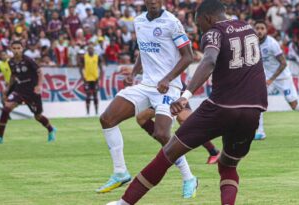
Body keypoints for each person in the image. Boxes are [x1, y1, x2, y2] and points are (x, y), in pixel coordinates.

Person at [106, 0, 268, 204]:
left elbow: (209, 60)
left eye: (199, 23)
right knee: (228, 166)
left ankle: (124, 203)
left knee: (168, 153)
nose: (200, 29)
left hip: (222, 108)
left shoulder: (213, 32)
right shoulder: (248, 29)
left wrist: (185, 96)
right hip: (254, 110)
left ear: (207, 18)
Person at [96, 0, 198, 199]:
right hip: (146, 85)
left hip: (169, 87)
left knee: (161, 133)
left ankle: (189, 177)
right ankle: (120, 172)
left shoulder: (172, 22)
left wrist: (168, 79)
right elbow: (144, 52)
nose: (152, 1)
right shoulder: (139, 21)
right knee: (107, 119)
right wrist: (134, 73)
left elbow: (188, 56)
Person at [0, 41, 56, 144]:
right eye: (14, 48)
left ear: (22, 49)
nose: (16, 50)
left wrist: (39, 85)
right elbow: (13, 76)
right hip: (19, 90)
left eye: (18, 48)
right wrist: (7, 89)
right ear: (11, 49)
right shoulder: (10, 62)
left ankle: (51, 130)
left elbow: (40, 72)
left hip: (32, 92)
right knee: (6, 108)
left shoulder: (28, 60)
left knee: (37, 116)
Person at [136, 83, 220, 164]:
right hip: (157, 91)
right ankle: (168, 148)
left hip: (173, 87)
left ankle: (213, 152)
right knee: (141, 117)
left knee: (187, 122)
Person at [79, 43, 103, 115]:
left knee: (95, 95)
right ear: (87, 50)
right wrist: (82, 77)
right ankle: (87, 113)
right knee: (88, 95)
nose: (90, 50)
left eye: (91, 49)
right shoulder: (84, 57)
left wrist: (100, 77)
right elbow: (80, 68)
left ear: (93, 50)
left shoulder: (97, 57)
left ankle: (96, 112)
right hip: (87, 79)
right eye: (89, 49)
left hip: (95, 79)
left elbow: (101, 68)